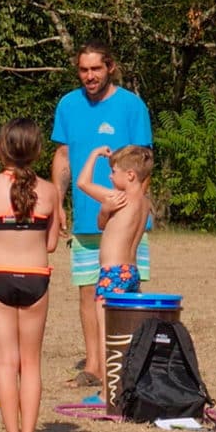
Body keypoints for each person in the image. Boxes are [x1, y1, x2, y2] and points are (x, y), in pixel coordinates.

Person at [51, 40, 152, 387]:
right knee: (87, 291)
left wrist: (138, 212)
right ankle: (94, 366)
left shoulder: (132, 106)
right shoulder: (67, 105)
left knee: (126, 297)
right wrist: (56, 203)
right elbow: (63, 157)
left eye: (96, 68)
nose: (89, 76)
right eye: (83, 69)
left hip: (123, 223)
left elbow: (144, 162)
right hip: (85, 217)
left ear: (110, 67)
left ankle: (128, 364)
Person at [0, 118, 60, 432]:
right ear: (37, 151)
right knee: (31, 363)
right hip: (35, 276)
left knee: (6, 363)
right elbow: (52, 243)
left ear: (1, 149)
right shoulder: (51, 191)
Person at [76, 144, 154, 370]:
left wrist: (92, 154)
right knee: (127, 333)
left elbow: (82, 183)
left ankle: (105, 388)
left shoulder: (119, 197)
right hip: (131, 272)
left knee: (106, 331)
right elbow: (103, 225)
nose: (110, 176)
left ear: (130, 175)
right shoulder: (144, 203)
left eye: (114, 171)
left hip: (112, 273)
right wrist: (104, 209)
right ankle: (125, 382)